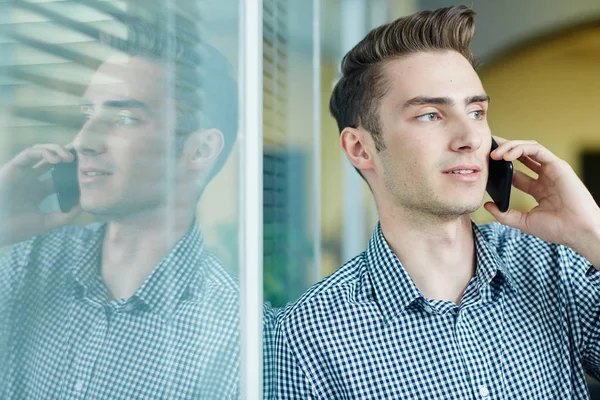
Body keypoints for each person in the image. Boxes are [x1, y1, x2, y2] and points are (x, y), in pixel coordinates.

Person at [273, 5, 600, 399]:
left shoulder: (553, 264)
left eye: (476, 111)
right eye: (430, 115)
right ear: (360, 148)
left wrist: (591, 231)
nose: (470, 137)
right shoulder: (307, 337)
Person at [0, 13, 240, 399]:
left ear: (199, 151)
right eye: (88, 114)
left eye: (125, 117)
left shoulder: (231, 333)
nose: (83, 141)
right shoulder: (27, 266)